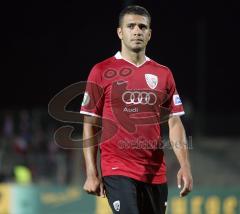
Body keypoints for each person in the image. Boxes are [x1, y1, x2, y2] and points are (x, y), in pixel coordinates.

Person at [80, 5, 193, 214]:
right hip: (116, 168)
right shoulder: (101, 71)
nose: (137, 31)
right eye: (131, 26)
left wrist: (185, 166)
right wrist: (91, 172)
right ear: (120, 32)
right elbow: (90, 124)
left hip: (155, 172)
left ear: (149, 34)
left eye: (142, 27)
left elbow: (175, 122)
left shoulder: (163, 74)